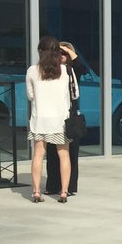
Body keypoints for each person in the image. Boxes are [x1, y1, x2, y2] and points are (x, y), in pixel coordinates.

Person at [25, 35, 71, 203]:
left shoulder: (32, 71)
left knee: (38, 155)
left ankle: (36, 192)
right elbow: (71, 94)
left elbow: (30, 96)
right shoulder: (65, 71)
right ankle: (64, 192)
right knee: (64, 155)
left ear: (40, 51)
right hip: (60, 120)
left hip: (40, 120)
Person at [46, 42, 85, 196]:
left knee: (71, 153)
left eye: (64, 54)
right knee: (52, 152)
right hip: (54, 114)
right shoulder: (52, 70)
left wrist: (69, 51)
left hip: (71, 115)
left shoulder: (73, 70)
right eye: (58, 53)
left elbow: (82, 67)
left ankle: (68, 186)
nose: (61, 56)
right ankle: (53, 185)